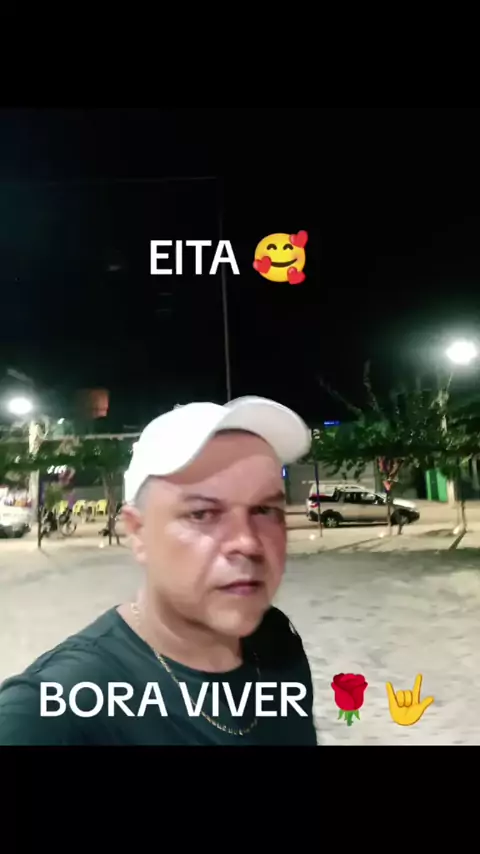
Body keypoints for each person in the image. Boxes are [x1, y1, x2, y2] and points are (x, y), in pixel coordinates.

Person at [0, 396, 317, 745]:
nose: (248, 542)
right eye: (202, 514)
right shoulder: (55, 710)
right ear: (138, 532)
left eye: (265, 511)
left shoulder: (276, 640)